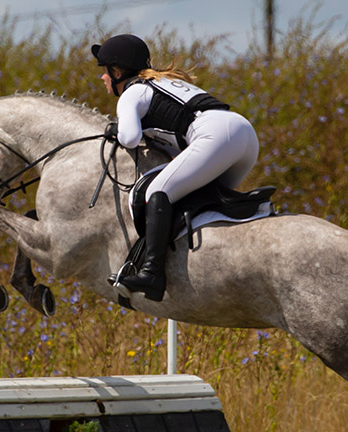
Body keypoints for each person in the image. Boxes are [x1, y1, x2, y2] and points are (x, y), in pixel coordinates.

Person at [91, 34, 259, 302]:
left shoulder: (132, 92)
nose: (102, 78)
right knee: (194, 198)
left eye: (105, 71)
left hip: (215, 135)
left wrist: (116, 128)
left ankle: (152, 274)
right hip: (245, 135)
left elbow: (130, 138)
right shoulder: (165, 82)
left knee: (158, 190)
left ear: (117, 71)